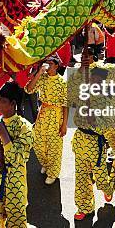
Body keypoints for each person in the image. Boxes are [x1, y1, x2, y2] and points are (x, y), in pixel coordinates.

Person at [67, 50, 115, 220]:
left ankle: (107, 190)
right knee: (81, 178)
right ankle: (84, 207)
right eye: (92, 78)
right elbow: (71, 90)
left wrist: (95, 120)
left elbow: (110, 122)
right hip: (80, 140)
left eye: (98, 79)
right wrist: (82, 68)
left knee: (101, 177)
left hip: (96, 144)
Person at [0, 82, 33, 228]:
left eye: (2, 101)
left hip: (14, 181)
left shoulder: (25, 127)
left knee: (15, 219)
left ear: (13, 104)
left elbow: (18, 158)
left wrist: (3, 134)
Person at [25, 56, 68, 185]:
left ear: (56, 66)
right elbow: (29, 90)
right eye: (46, 63)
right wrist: (38, 73)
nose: (47, 65)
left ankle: (53, 173)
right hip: (43, 113)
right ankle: (46, 163)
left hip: (56, 115)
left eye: (50, 63)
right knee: (38, 142)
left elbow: (66, 104)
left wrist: (64, 125)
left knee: (54, 145)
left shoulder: (62, 82)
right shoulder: (42, 78)